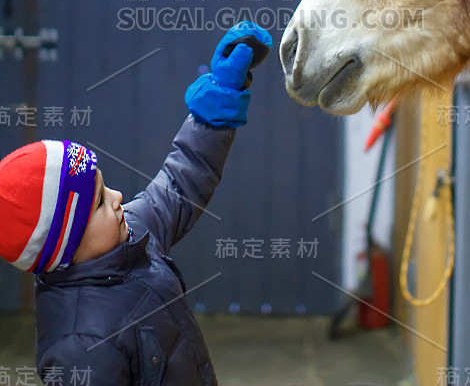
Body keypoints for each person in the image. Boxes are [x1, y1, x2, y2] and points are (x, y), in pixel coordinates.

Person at [0, 21, 272, 386]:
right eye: (98, 202)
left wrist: (218, 99)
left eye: (104, 187)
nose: (117, 198)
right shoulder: (81, 348)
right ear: (64, 245)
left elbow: (180, 182)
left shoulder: (130, 235)